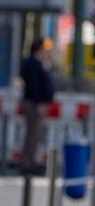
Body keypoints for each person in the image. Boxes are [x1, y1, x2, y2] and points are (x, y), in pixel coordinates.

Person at [19, 38, 55, 173]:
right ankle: (28, 163)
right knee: (33, 134)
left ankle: (29, 162)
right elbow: (35, 85)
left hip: (35, 102)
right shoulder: (33, 64)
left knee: (34, 134)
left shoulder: (37, 63)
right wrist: (40, 102)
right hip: (34, 103)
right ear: (38, 50)